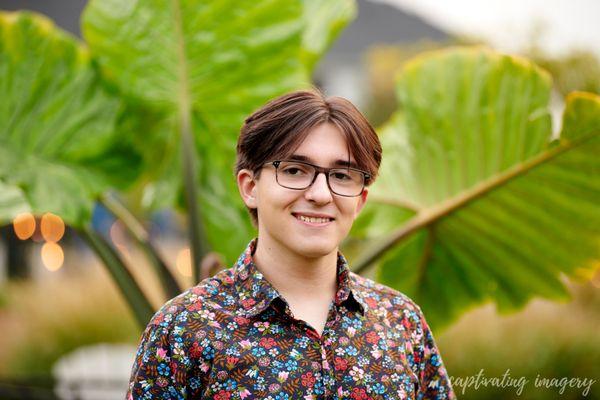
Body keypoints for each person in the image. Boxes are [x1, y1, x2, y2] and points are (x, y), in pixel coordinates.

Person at [127, 89, 456, 399]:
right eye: (296, 170)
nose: (320, 194)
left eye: (342, 176)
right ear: (250, 187)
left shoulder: (400, 322)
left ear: (360, 199)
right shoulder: (185, 327)